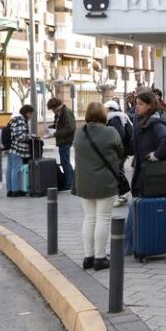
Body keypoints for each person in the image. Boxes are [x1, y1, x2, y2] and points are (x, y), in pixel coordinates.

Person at [73, 102, 123, 271]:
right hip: (105, 182)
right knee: (103, 218)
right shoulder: (110, 132)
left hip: (83, 182)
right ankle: (100, 258)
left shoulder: (79, 132)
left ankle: (89, 257)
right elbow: (121, 151)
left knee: (89, 218)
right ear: (104, 115)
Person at [131, 91, 166, 198]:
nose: (137, 107)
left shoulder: (154, 122)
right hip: (144, 169)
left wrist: (156, 155)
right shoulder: (140, 119)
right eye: (137, 104)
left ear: (149, 105)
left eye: (140, 104)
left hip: (153, 172)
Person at [104, 100, 133, 207]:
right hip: (122, 149)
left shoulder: (115, 118)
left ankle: (123, 193)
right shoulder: (121, 116)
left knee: (116, 170)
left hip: (119, 150)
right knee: (117, 170)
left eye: (106, 109)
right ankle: (121, 193)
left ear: (110, 108)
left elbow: (119, 135)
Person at [46, 97, 76, 191]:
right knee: (65, 162)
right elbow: (58, 125)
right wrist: (50, 128)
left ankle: (69, 183)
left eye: (52, 109)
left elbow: (70, 128)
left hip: (66, 141)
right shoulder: (59, 113)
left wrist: (54, 133)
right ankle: (72, 181)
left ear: (56, 107)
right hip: (62, 141)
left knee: (65, 162)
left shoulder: (66, 113)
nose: (52, 111)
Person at [6, 105, 35, 197]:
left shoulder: (15, 120)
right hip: (17, 149)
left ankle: (10, 190)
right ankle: (16, 190)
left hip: (12, 148)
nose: (31, 116)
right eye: (31, 114)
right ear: (27, 113)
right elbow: (20, 137)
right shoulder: (20, 121)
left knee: (10, 170)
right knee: (16, 169)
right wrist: (31, 136)